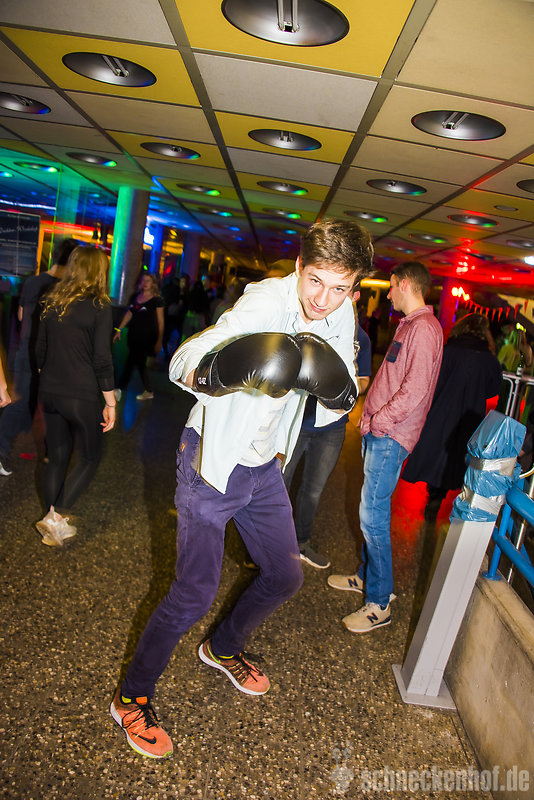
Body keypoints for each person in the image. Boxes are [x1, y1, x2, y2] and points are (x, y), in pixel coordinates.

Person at [109, 218, 374, 759]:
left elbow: (339, 395)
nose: (323, 300)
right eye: (315, 281)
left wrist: (335, 387)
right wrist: (226, 368)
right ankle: (131, 697)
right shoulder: (264, 303)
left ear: (353, 287)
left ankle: (223, 646)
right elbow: (184, 361)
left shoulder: (340, 311)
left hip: (263, 465)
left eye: (340, 288)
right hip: (212, 459)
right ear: (300, 267)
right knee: (194, 591)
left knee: (285, 575)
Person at [328, 261, 443, 634]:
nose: (388, 293)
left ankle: (379, 602)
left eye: (391, 286)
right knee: (371, 512)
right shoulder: (410, 325)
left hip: (390, 435)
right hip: (382, 431)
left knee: (372, 515)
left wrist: (378, 420)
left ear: (405, 284)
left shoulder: (424, 328)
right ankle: (367, 577)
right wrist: (370, 416)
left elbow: (415, 389)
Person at [34, 246, 116, 547]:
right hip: (81, 395)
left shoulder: (52, 299)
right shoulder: (99, 306)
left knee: (56, 457)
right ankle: (56, 517)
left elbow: (39, 348)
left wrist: (48, 378)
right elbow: (102, 358)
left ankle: (52, 519)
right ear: (99, 271)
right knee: (91, 457)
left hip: (50, 391)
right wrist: (110, 401)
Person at [283, 303, 372, 569]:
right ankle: (266, 544)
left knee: (313, 490)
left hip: (331, 427)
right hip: (297, 420)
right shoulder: (311, 325)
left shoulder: (361, 338)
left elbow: (364, 379)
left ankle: (300, 542)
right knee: (278, 483)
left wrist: (345, 385)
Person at [402, 313, 502, 520]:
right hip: (470, 416)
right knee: (458, 458)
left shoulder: (447, 352)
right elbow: (493, 389)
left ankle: (434, 494)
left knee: (436, 453)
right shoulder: (489, 360)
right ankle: (446, 498)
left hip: (441, 410)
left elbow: (431, 381)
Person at [0, 237, 78, 476]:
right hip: (49, 354)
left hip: (26, 349)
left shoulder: (34, 281)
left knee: (24, 402)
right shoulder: (66, 289)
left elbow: (21, 315)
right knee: (43, 405)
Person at [113, 273, 164, 400]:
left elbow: (161, 321)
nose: (145, 283)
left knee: (132, 360)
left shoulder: (157, 300)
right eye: (143, 280)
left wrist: (159, 340)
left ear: (153, 283)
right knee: (139, 362)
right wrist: (119, 329)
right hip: (133, 335)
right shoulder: (135, 297)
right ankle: (148, 390)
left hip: (146, 336)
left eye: (148, 281)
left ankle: (120, 388)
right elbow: (130, 313)